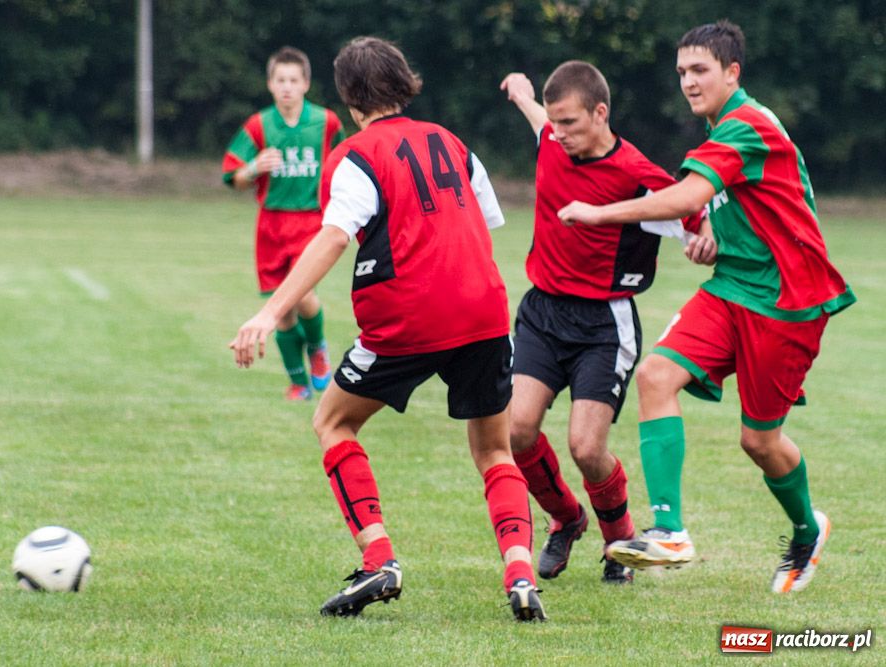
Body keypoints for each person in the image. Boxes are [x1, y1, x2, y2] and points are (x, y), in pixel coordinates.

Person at [232, 36, 546, 622]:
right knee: (495, 449)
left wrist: (269, 313)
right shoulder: (453, 143)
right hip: (482, 310)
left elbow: (332, 236)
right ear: (406, 83)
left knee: (333, 421)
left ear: (349, 98)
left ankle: (379, 557)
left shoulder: (355, 155)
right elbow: (486, 221)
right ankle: (521, 572)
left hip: (407, 316)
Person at [558, 20, 856, 593]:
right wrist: (718, 236)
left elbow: (690, 195)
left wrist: (598, 213)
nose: (688, 83)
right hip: (731, 287)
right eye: (681, 73)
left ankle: (806, 527)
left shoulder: (746, 126)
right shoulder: (724, 131)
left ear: (731, 73)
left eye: (700, 71)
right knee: (654, 374)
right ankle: (669, 530)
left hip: (784, 302)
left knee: (759, 441)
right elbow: (753, 203)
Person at [499, 62, 712, 585]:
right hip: (543, 312)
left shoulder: (639, 177)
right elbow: (538, 122)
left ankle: (620, 541)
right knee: (517, 430)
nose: (559, 133)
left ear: (601, 113)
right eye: (555, 122)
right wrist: (524, 95)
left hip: (604, 323)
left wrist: (705, 238)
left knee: (586, 447)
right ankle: (567, 518)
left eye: (570, 122)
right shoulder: (552, 137)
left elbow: (694, 213)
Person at [222, 46, 346, 401]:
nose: (287, 86)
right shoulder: (259, 125)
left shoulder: (326, 122)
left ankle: (319, 351)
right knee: (284, 311)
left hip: (311, 222)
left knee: (303, 295)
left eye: (294, 79)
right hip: (271, 226)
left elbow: (345, 161)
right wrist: (253, 168)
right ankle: (298, 382)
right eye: (281, 80)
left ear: (306, 83)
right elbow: (231, 177)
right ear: (270, 85)